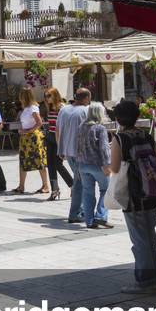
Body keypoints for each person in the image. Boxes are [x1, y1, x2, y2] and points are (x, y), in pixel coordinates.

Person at [110, 99, 156, 293]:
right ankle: (155, 279)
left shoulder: (119, 139)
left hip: (134, 197)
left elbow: (115, 168)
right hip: (153, 193)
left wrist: (104, 168)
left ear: (118, 119)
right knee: (150, 238)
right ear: (137, 116)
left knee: (140, 241)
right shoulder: (146, 136)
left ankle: (144, 282)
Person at [76, 102, 113, 229]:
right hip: (97, 165)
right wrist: (107, 165)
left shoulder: (81, 126)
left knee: (88, 193)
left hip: (83, 164)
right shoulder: (100, 128)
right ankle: (101, 216)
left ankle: (89, 221)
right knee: (106, 190)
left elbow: (78, 145)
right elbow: (104, 149)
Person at [58, 88, 91, 223]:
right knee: (81, 182)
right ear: (86, 98)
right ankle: (77, 212)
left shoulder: (63, 110)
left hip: (68, 151)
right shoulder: (85, 111)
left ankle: (79, 211)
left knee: (80, 181)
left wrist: (60, 149)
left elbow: (58, 130)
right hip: (80, 152)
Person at [13, 87, 48, 195]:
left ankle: (46, 186)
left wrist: (27, 131)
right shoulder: (26, 108)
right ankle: (21, 186)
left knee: (39, 161)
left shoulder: (33, 108)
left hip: (33, 138)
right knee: (23, 161)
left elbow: (39, 123)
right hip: (26, 138)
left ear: (24, 96)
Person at [41, 88, 72, 201]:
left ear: (55, 95)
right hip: (50, 137)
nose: (46, 98)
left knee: (58, 164)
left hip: (59, 139)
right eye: (45, 96)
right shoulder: (49, 107)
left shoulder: (62, 107)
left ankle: (73, 185)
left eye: (49, 96)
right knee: (50, 164)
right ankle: (55, 190)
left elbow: (66, 125)